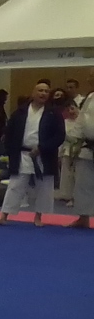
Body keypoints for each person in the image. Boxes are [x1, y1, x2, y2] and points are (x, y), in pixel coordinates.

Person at [0, 80, 65, 227]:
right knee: (15, 184)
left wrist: (42, 147)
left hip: (44, 154)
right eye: (40, 90)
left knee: (44, 187)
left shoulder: (54, 113)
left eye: (46, 91)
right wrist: (10, 150)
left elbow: (59, 136)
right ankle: (4, 215)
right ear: (33, 93)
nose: (43, 93)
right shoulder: (20, 112)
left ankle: (38, 216)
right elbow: (9, 132)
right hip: (22, 153)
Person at [68, 73, 94, 229]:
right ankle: (83, 218)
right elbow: (81, 120)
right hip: (88, 144)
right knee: (83, 183)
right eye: (90, 76)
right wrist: (75, 140)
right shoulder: (90, 97)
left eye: (92, 76)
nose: (89, 79)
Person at [58, 101, 82, 204]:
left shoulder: (82, 122)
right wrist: (59, 154)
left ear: (77, 108)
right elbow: (62, 139)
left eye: (72, 108)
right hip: (67, 151)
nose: (71, 111)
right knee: (66, 174)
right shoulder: (65, 122)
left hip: (80, 151)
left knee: (77, 175)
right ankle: (67, 195)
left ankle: (77, 197)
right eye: (68, 110)